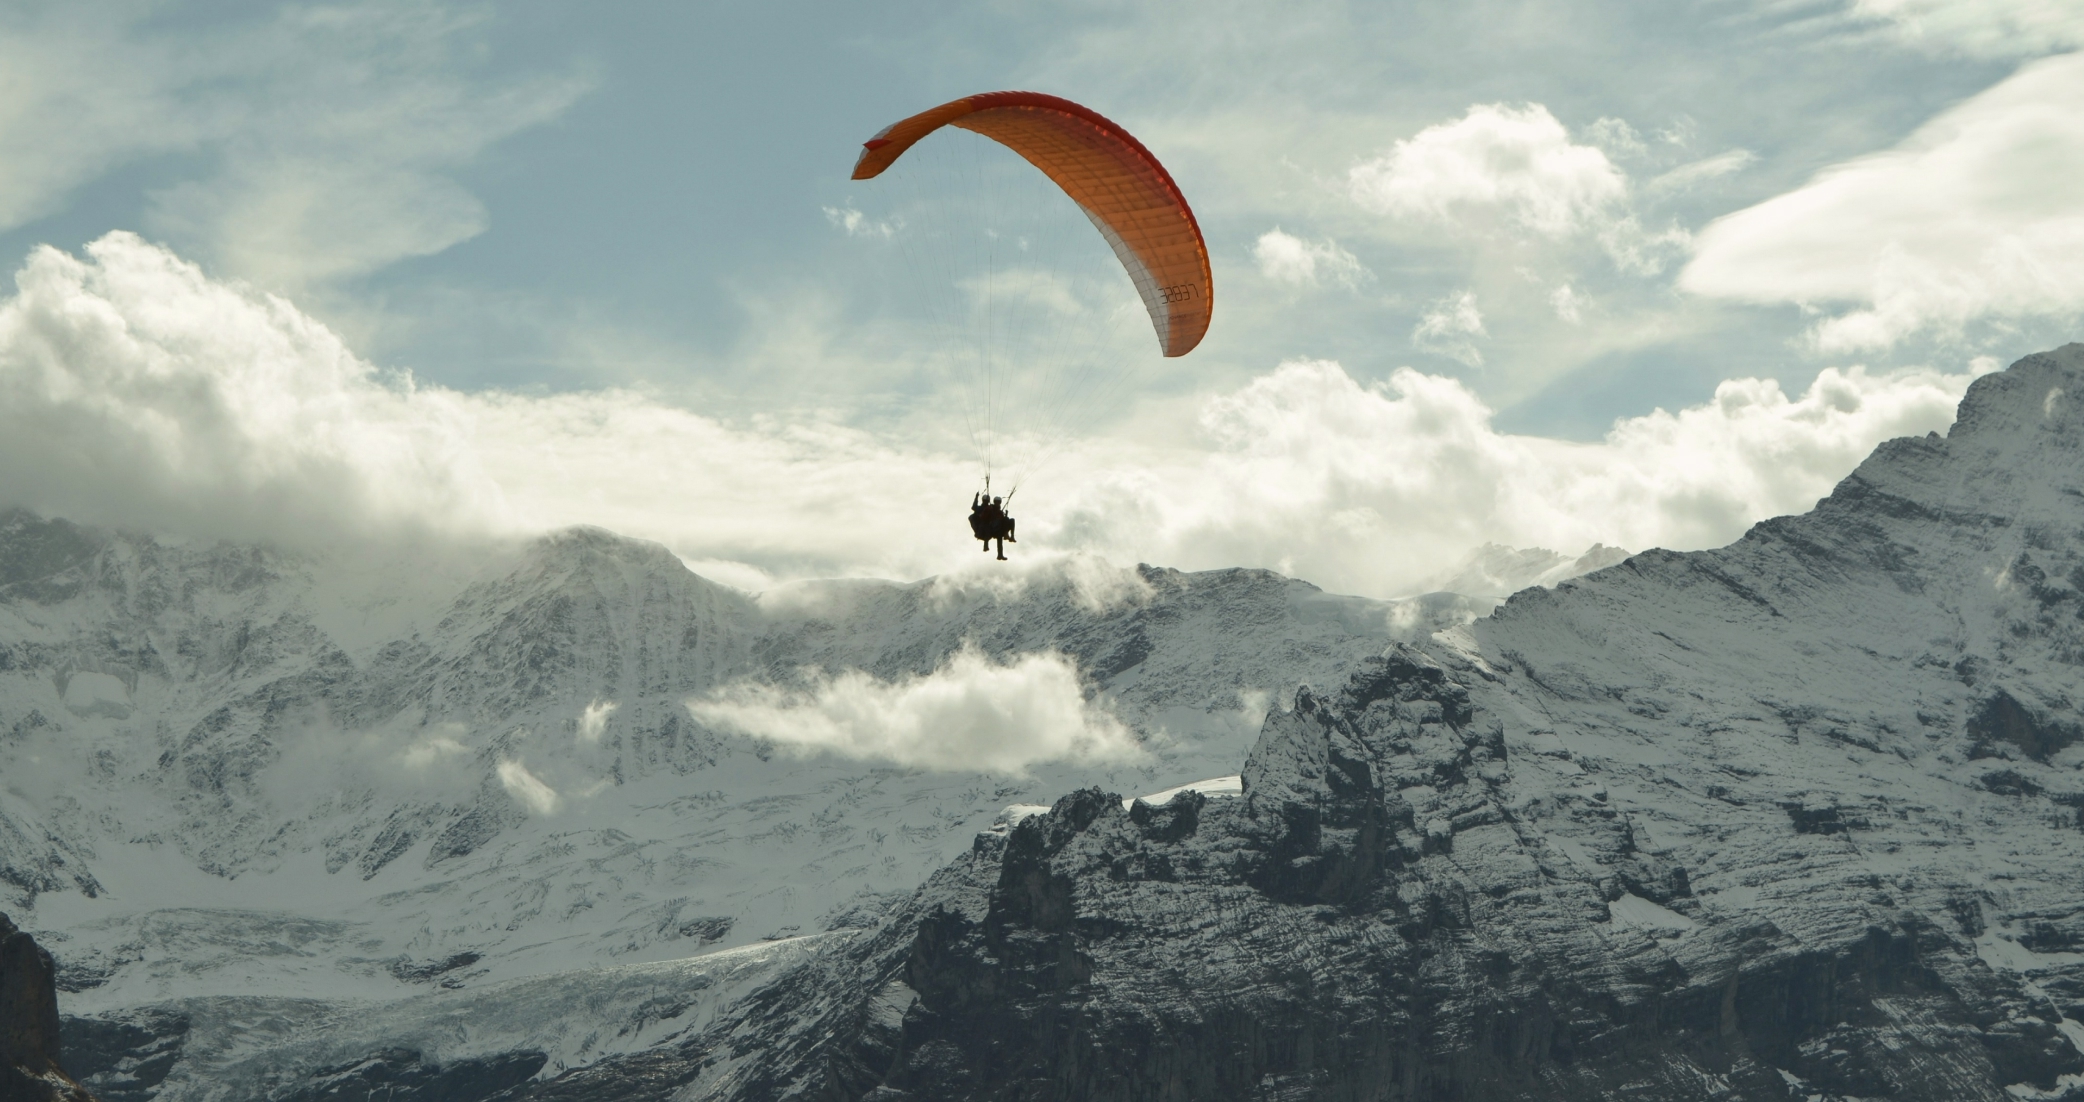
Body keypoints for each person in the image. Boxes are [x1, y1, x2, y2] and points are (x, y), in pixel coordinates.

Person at [967, 492, 1016, 560]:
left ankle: (1000, 554)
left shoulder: (997, 511)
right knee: (986, 525)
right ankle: (986, 545)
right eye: (996, 502)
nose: (986, 502)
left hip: (995, 528)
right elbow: (974, 508)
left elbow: (1001, 520)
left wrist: (1005, 516)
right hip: (987, 528)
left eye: (999, 502)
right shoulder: (986, 508)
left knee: (1008, 522)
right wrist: (976, 497)